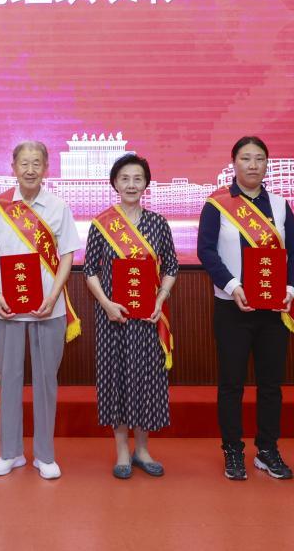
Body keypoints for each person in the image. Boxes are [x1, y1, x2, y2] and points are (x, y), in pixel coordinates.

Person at [197, 136, 294, 481]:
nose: (253, 165)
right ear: (234, 163)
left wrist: (290, 289)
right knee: (231, 383)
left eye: (260, 158)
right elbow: (206, 251)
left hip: (273, 310)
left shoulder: (280, 204)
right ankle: (232, 450)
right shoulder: (217, 204)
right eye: (246, 158)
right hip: (232, 307)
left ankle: (267, 449)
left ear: (267, 164)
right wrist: (233, 286)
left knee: (271, 384)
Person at [0, 141, 82, 480]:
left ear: (46, 168)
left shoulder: (58, 207)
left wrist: (54, 295)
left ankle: (44, 455)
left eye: (37, 163)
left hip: (48, 308)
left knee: (46, 381)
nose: (30, 169)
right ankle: (9, 453)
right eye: (24, 163)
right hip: (6, 308)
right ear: (13, 167)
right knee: (8, 380)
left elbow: (67, 255)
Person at [82, 153, 179, 479]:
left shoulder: (158, 223)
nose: (131, 184)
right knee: (117, 380)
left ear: (146, 183)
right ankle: (122, 451)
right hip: (114, 318)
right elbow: (89, 270)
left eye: (138, 178)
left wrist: (160, 298)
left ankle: (143, 449)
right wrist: (106, 303)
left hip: (148, 318)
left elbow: (171, 267)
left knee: (146, 379)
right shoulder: (101, 224)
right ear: (114, 183)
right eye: (125, 178)